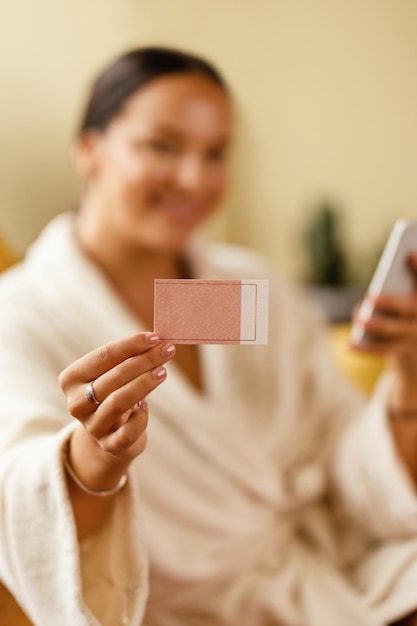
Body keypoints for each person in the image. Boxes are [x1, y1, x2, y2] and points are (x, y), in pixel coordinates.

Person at [0, 46, 417, 626]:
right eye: (162, 145)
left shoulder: (233, 287)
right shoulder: (23, 312)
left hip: (325, 574)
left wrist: (408, 378)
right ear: (89, 149)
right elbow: (20, 500)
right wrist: (90, 458)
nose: (196, 178)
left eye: (216, 152)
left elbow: (340, 457)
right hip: (188, 610)